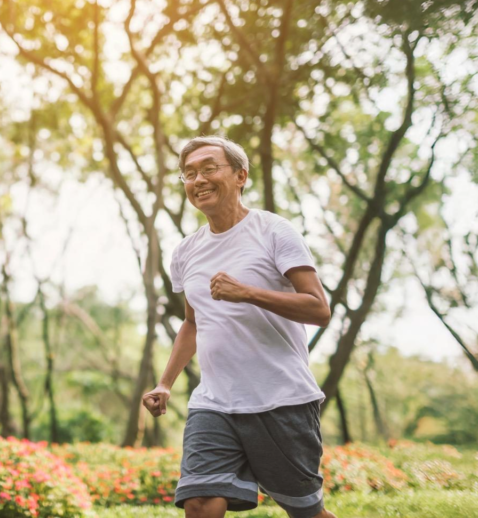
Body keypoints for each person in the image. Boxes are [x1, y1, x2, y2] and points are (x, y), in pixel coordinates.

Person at [143, 136, 337, 518]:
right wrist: (165, 382)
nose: (198, 179)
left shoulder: (274, 231)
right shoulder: (185, 252)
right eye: (189, 173)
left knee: (306, 513)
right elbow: (192, 323)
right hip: (214, 400)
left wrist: (247, 292)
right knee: (199, 503)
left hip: (280, 397)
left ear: (240, 175)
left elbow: (319, 309)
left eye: (209, 168)